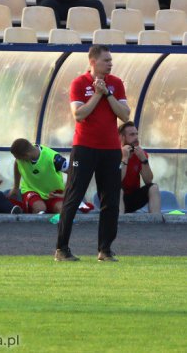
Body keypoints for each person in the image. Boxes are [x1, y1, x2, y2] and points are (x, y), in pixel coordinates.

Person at [55, 45, 130, 262]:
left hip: (110, 150)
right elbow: (79, 114)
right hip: (84, 148)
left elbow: (125, 115)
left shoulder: (116, 83)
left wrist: (107, 94)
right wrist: (97, 94)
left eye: (110, 60)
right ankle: (62, 249)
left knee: (111, 201)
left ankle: (105, 250)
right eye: (106, 60)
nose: (110, 63)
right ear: (93, 62)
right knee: (73, 197)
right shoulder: (79, 83)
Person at [9, 139, 68, 214]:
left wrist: (65, 193)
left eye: (19, 158)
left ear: (26, 155)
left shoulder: (54, 158)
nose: (18, 160)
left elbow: (72, 171)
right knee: (40, 209)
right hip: (31, 190)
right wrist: (16, 187)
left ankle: (54, 224)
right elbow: (17, 163)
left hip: (53, 192)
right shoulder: (21, 158)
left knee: (62, 210)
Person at [119, 121, 161, 214]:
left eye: (136, 134)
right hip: (113, 199)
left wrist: (144, 159)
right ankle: (118, 225)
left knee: (153, 187)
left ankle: (155, 223)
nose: (136, 138)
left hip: (132, 198)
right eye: (132, 135)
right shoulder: (114, 153)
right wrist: (125, 157)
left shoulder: (141, 154)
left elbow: (148, 181)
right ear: (122, 137)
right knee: (117, 189)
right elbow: (118, 179)